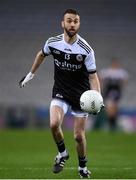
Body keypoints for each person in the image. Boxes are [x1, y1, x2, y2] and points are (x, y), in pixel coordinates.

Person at [19, 9, 102, 178]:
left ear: (79, 24)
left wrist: (97, 97)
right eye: (69, 20)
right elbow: (41, 54)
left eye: (76, 21)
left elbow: (93, 76)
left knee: (79, 136)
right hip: (61, 92)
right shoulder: (53, 42)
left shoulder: (86, 50)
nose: (72, 24)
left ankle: (82, 168)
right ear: (62, 23)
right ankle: (63, 154)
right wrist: (31, 74)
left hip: (81, 96)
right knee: (53, 124)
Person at [99, 58, 129, 131]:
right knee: (110, 108)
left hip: (116, 92)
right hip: (108, 92)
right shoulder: (107, 71)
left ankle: (112, 124)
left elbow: (125, 81)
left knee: (114, 108)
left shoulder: (121, 72)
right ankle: (112, 125)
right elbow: (100, 79)